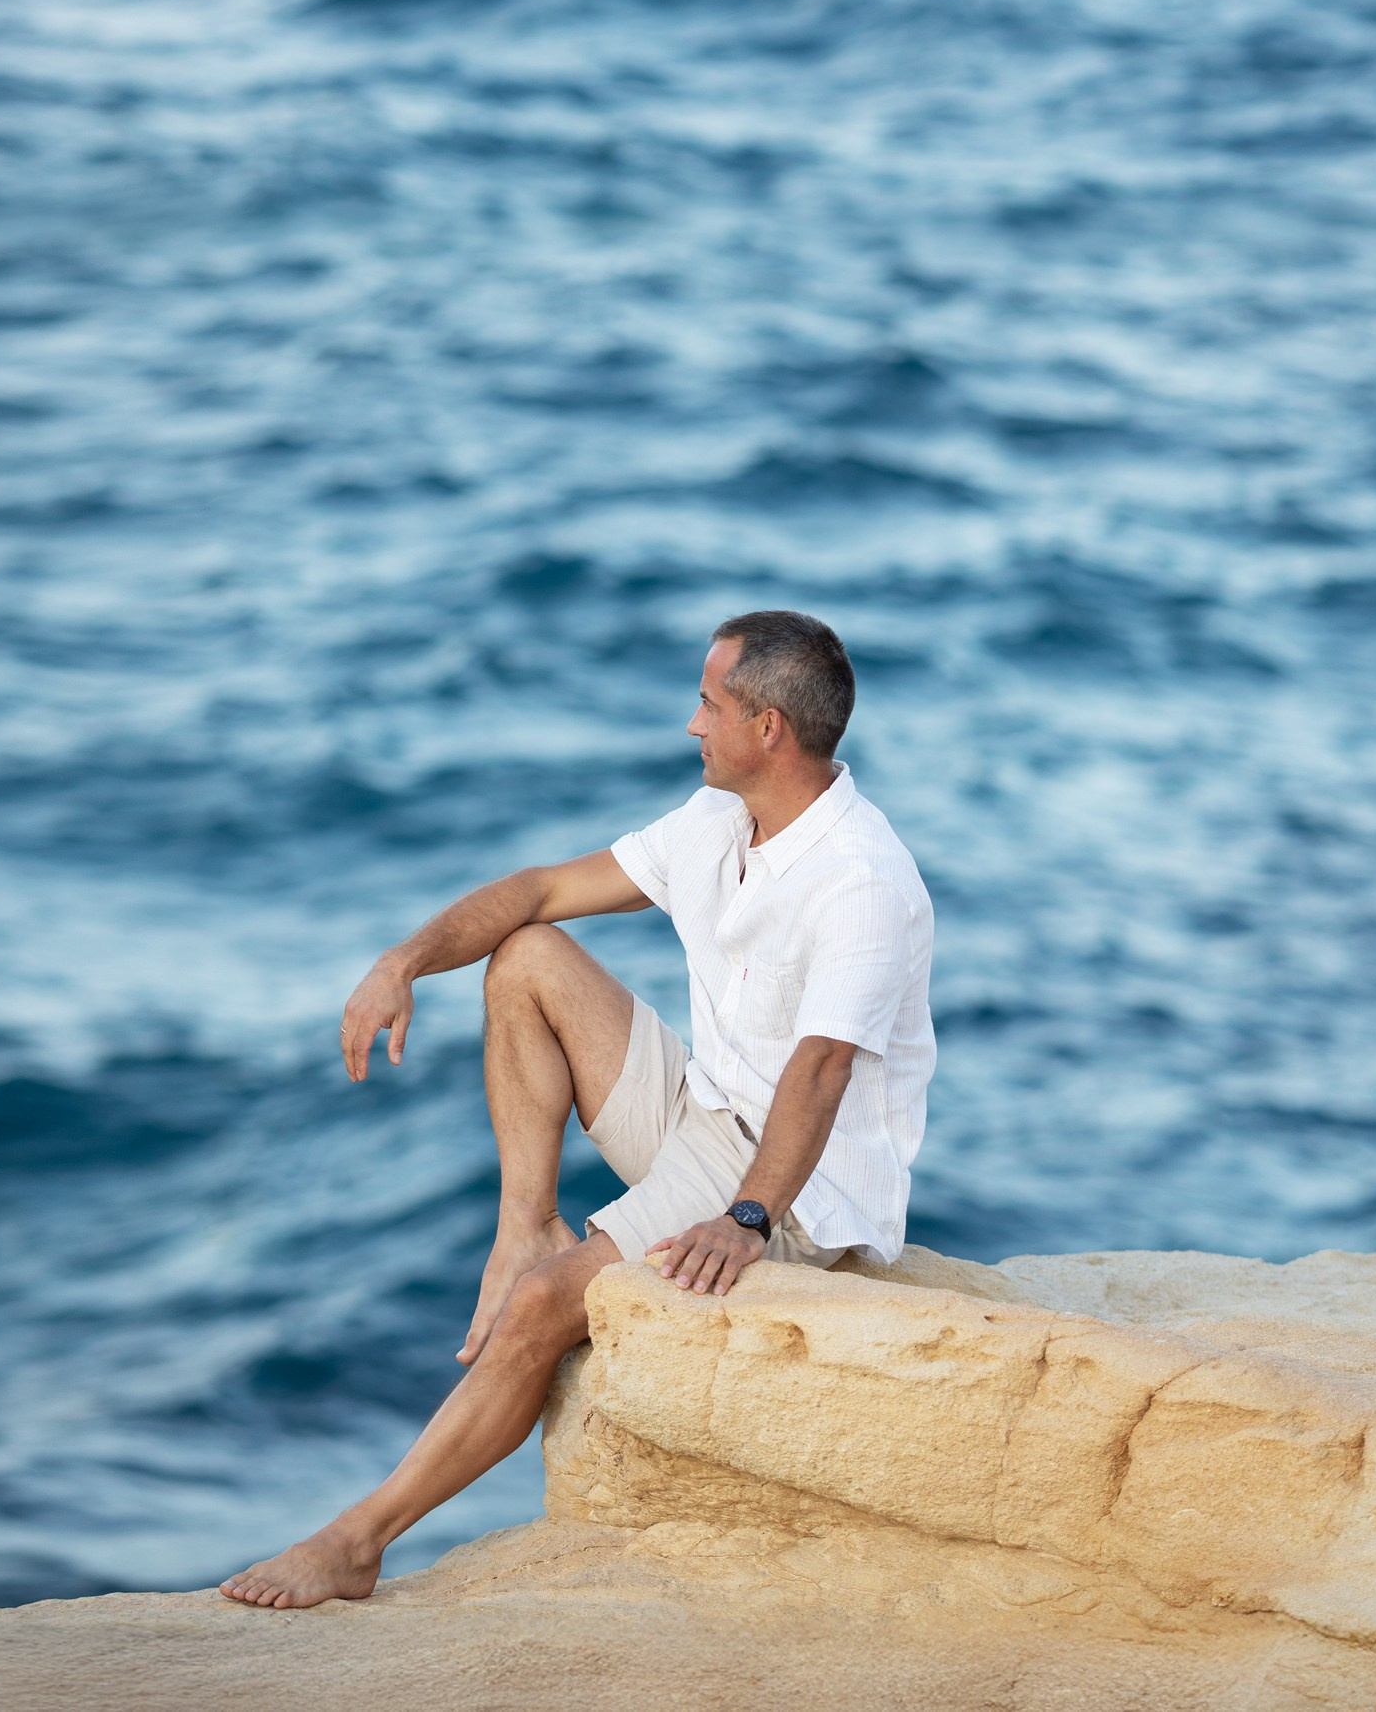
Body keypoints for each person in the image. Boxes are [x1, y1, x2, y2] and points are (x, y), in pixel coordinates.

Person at [220, 609, 935, 1610]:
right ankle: (524, 1225)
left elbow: (818, 1074)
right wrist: (403, 961)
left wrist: (745, 1221)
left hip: (796, 1184)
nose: (691, 724)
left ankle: (357, 1541)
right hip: (705, 1109)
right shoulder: (717, 825)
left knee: (545, 1306)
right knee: (526, 962)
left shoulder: (859, 880)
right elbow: (542, 889)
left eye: (707, 702)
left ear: (766, 727)